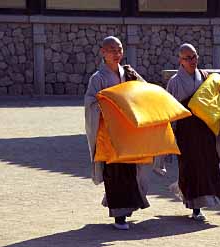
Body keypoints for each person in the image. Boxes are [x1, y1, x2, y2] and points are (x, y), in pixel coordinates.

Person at [84, 36, 149, 230]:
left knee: (130, 172)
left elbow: (143, 90)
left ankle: (125, 210)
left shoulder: (129, 73)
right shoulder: (98, 78)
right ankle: (119, 216)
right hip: (110, 136)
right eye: (112, 50)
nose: (116, 53)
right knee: (115, 174)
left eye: (119, 49)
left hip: (128, 133)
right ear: (103, 52)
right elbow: (90, 103)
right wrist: (110, 104)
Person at [166, 43, 220, 221]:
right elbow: (170, 110)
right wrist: (171, 135)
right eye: (187, 58)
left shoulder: (206, 78)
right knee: (190, 167)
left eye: (194, 57)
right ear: (180, 60)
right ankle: (195, 208)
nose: (192, 61)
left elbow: (215, 102)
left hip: (205, 129)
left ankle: (205, 199)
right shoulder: (175, 82)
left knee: (208, 164)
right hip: (186, 132)